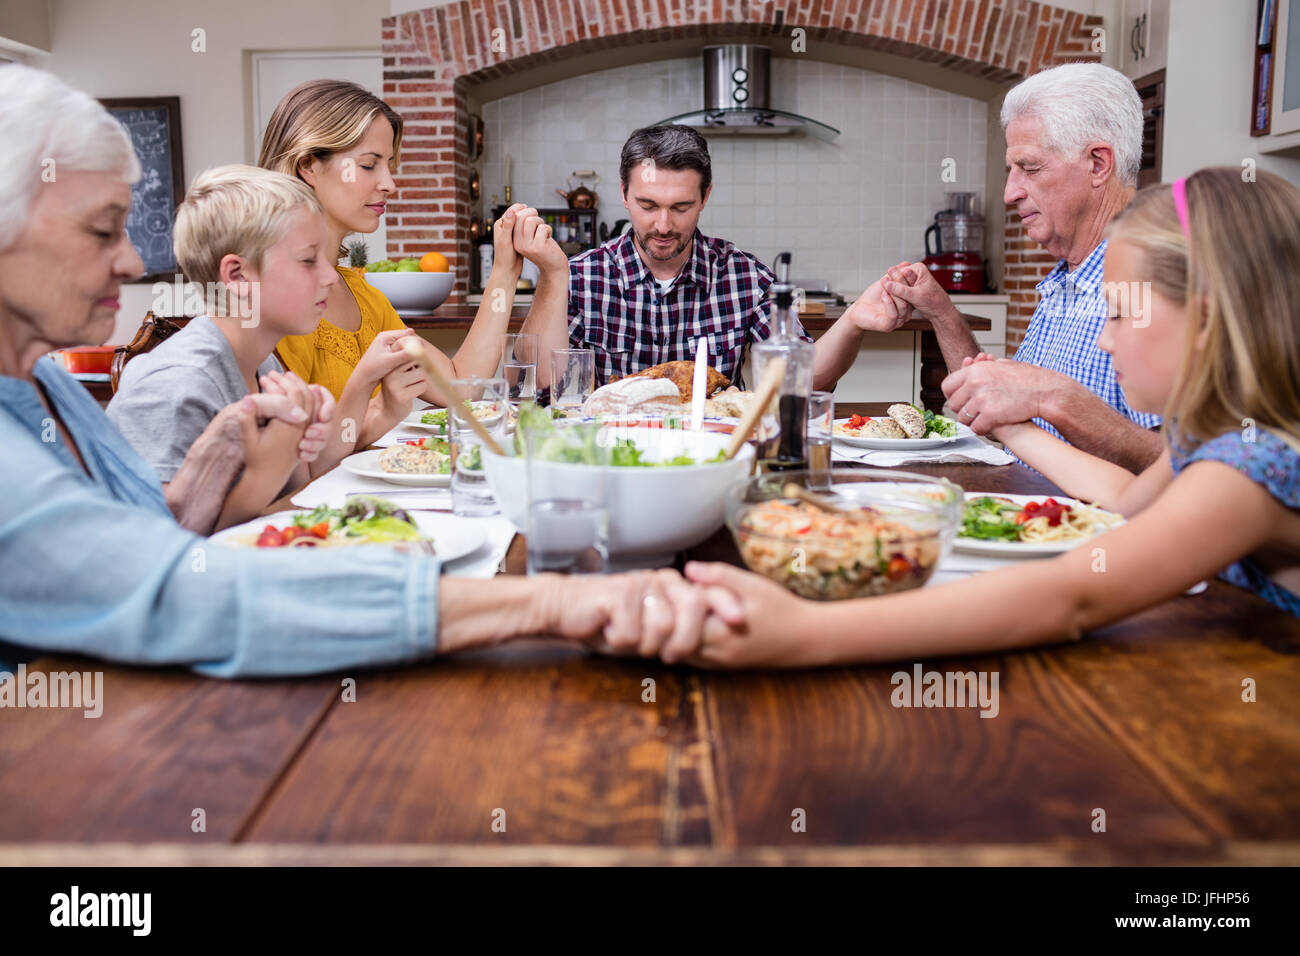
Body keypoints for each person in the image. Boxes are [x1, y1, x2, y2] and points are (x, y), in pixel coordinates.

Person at [0, 65, 743, 677]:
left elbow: (142, 539)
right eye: (103, 230)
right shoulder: (182, 367)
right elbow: (175, 595)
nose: (133, 262)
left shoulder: (50, 384)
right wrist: (548, 606)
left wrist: (204, 483)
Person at [663, 168, 1300, 667]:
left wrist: (803, 631)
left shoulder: (1248, 467)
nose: (1106, 340)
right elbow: (1129, 498)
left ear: (1208, 321)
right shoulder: (1212, 439)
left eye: (1118, 313)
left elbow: (1072, 597)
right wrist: (1011, 423)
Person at [851, 63, 1163, 473]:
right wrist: (941, 311)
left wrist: (1056, 397)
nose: (1010, 193)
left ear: (1098, 164)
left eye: (1030, 168)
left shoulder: (1150, 282)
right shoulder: (1067, 277)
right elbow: (1010, 417)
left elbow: (1175, 471)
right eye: (1012, 170)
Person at [258, 80, 552, 445]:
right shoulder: (271, 303)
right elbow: (293, 459)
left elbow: (458, 386)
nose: (390, 184)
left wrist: (506, 271)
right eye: (369, 165)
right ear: (308, 166)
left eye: (390, 165)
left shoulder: (364, 297)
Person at [520, 124, 912, 390]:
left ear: (705, 197)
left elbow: (799, 380)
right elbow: (542, 380)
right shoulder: (583, 275)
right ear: (624, 194)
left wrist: (854, 321)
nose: (662, 225)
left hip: (719, 458)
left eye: (681, 207)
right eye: (647, 205)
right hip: (611, 460)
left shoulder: (744, 276)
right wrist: (554, 275)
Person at [108, 166, 358, 531]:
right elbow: (166, 550)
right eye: (308, 260)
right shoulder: (176, 386)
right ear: (238, 277)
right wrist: (268, 468)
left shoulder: (263, 364)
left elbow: (292, 494)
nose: (331, 276)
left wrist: (296, 442)